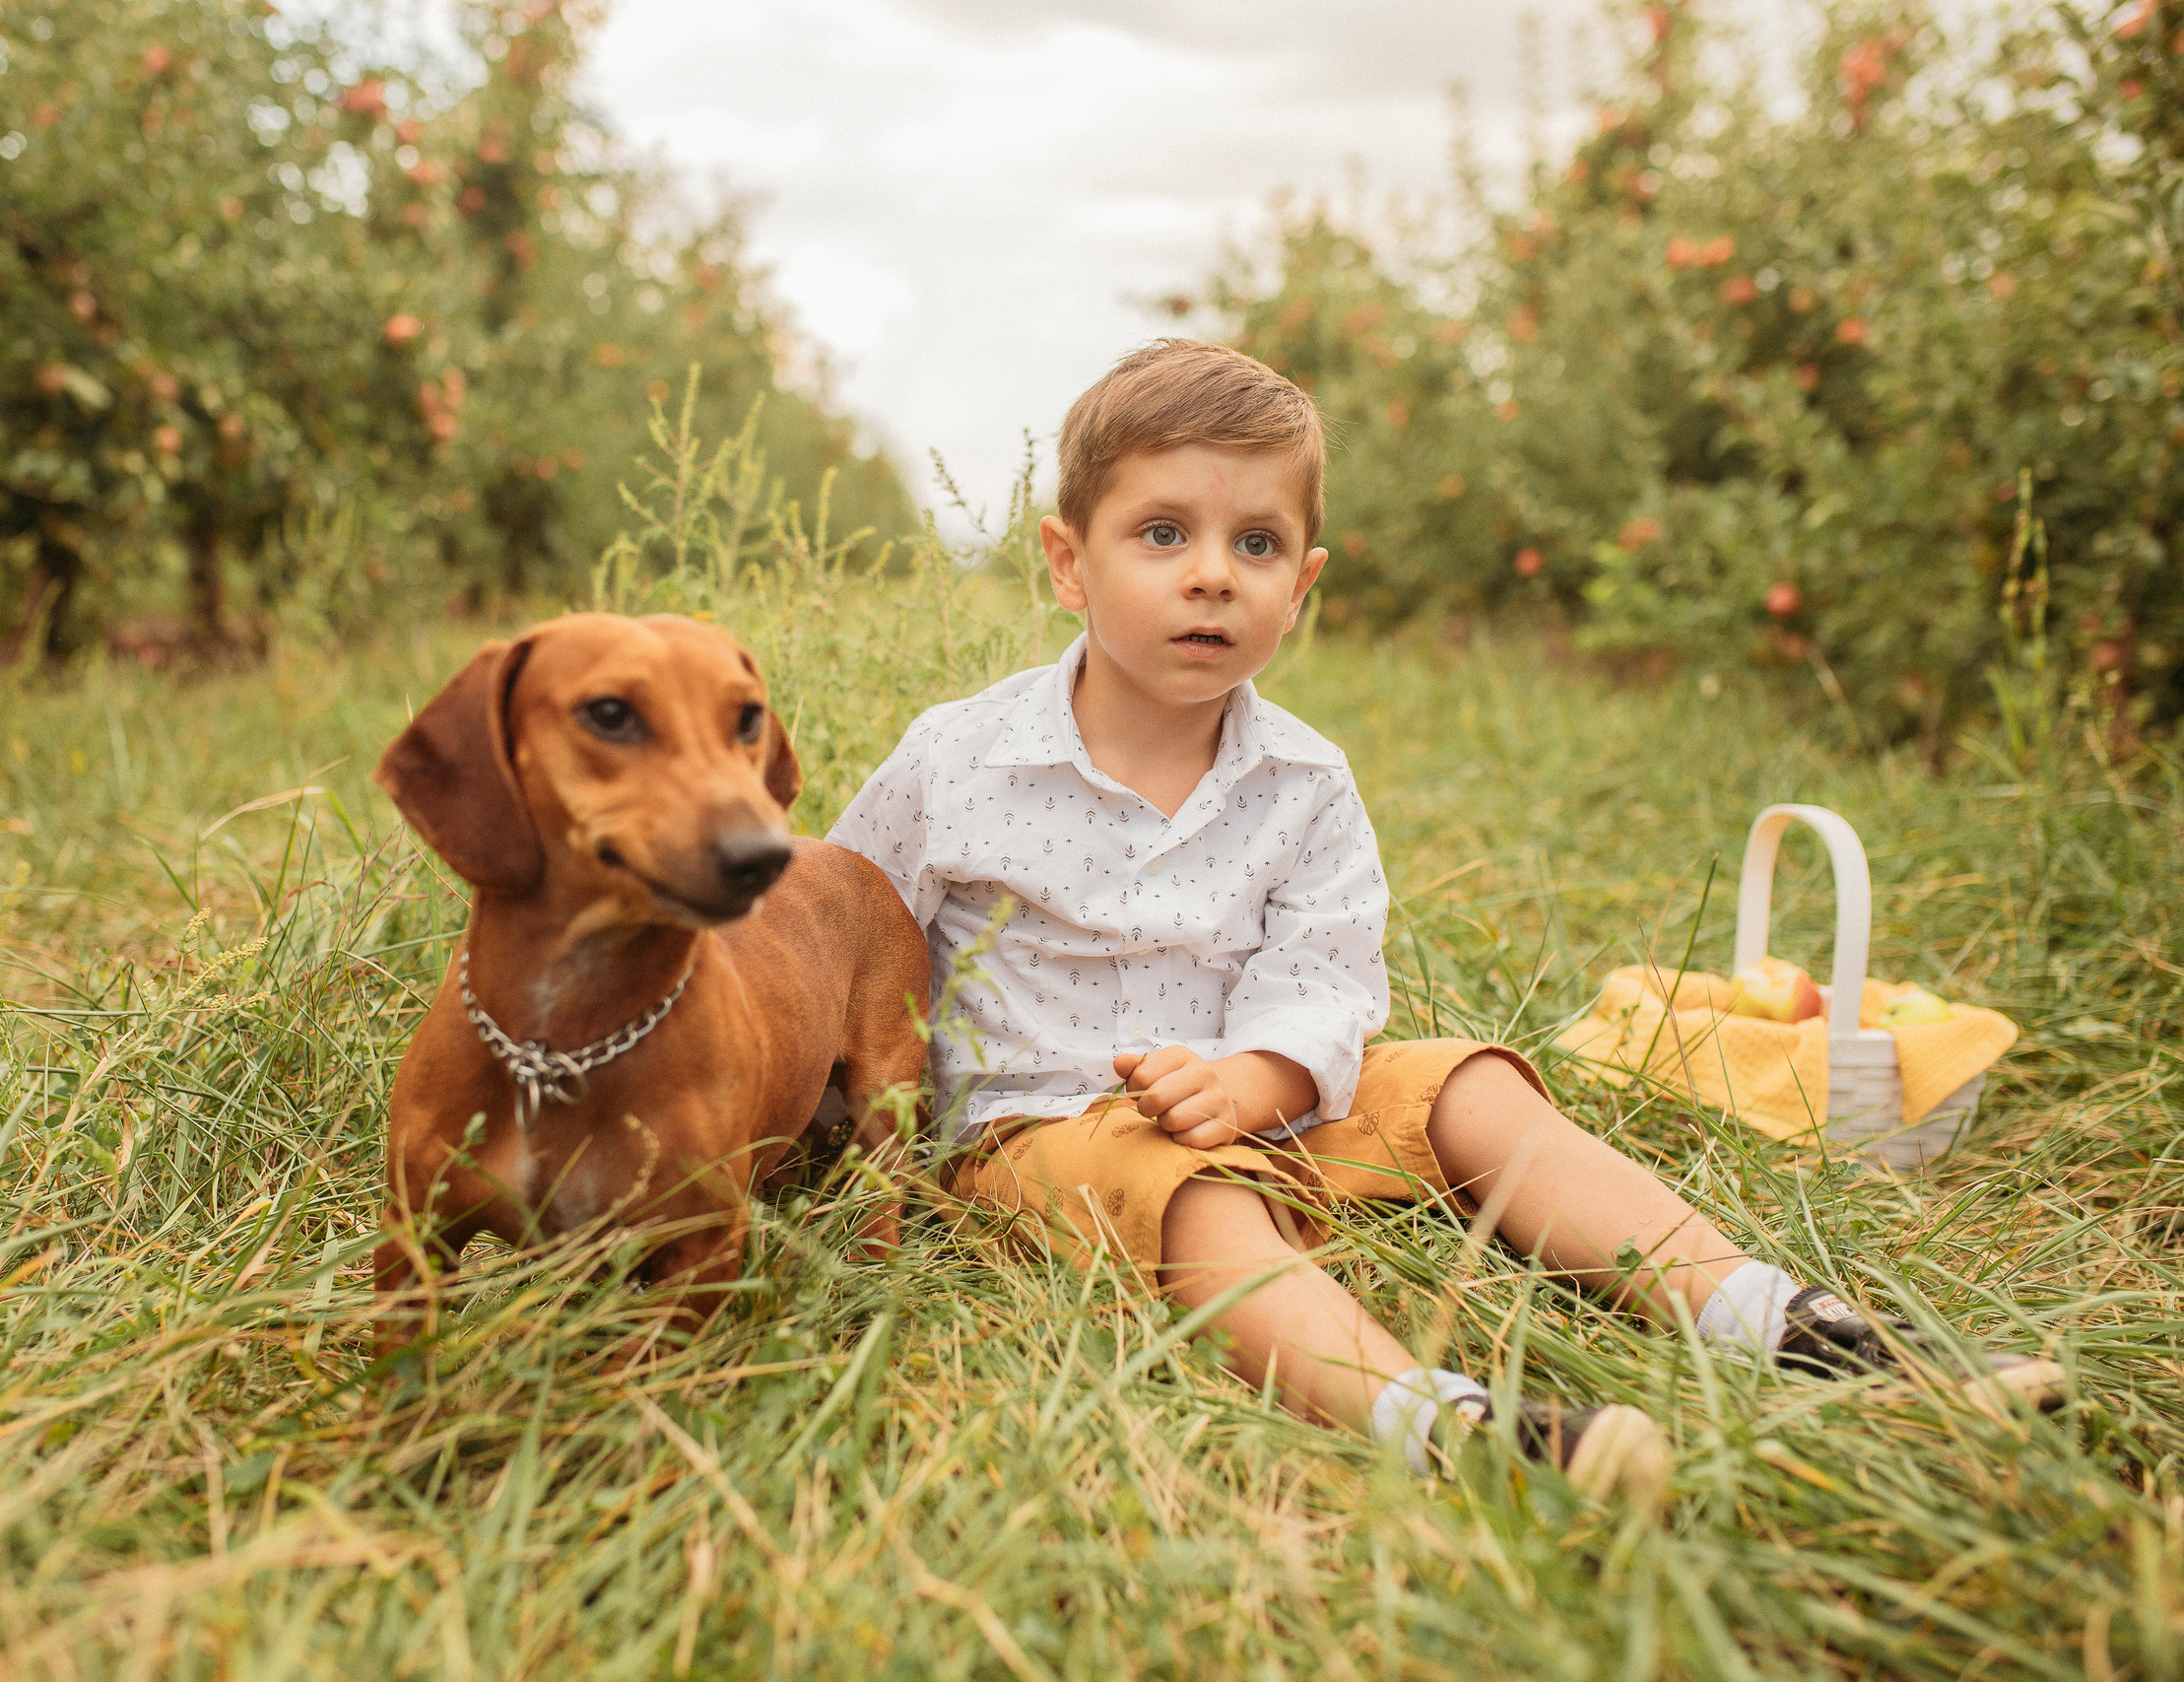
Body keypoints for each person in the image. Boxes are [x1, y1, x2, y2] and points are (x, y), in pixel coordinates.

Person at [826, 340, 2061, 1507]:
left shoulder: (1304, 783)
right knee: (1194, 1191)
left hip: (1269, 1104)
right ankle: (1450, 1428)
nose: (1211, 573)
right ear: (1066, 563)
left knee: (1469, 1086)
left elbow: (1322, 971)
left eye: (1255, 542)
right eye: (1162, 533)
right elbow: (839, 922)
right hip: (1043, 1131)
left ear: (1300, 585)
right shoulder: (962, 761)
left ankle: (1790, 1325)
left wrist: (1259, 1075)